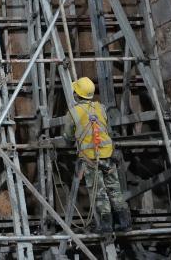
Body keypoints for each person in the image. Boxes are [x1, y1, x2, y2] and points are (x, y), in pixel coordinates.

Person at [63, 77, 132, 233]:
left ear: (76, 94)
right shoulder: (101, 108)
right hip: (108, 154)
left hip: (90, 158)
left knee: (99, 191)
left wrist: (70, 142)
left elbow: (67, 137)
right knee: (114, 188)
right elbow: (105, 128)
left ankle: (106, 225)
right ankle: (125, 222)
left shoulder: (73, 112)